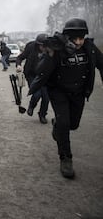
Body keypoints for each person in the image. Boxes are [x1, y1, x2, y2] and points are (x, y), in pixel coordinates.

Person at [29, 18, 103, 179]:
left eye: (81, 38)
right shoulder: (56, 48)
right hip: (59, 92)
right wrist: (51, 53)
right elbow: (39, 69)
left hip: (78, 93)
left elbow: (102, 64)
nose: (78, 42)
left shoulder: (89, 48)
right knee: (64, 124)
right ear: (67, 37)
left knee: (73, 125)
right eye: (74, 39)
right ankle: (65, 158)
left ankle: (57, 126)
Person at [16, 34, 49, 124]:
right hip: (31, 75)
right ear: (38, 44)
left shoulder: (50, 51)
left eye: (45, 46)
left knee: (46, 97)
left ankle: (42, 115)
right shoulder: (30, 48)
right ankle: (31, 106)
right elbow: (20, 58)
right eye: (42, 46)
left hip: (44, 76)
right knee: (37, 94)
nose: (43, 48)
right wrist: (18, 65)